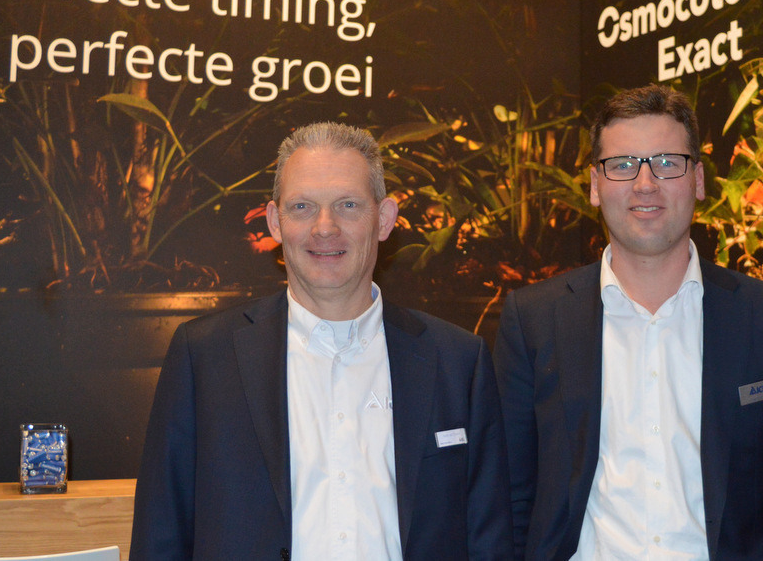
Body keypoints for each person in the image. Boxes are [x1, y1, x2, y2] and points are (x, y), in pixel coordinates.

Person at [131, 121, 512, 560]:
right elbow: (160, 538)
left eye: (348, 205)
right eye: (302, 207)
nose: (325, 227)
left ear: (384, 219)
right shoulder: (204, 358)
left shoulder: (458, 362)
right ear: (275, 222)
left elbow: (489, 543)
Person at [494, 84, 763, 560]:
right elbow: (506, 502)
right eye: (622, 164)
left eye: (666, 162)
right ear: (595, 185)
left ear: (697, 179)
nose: (645, 183)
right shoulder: (534, 320)